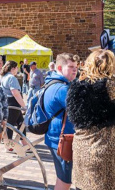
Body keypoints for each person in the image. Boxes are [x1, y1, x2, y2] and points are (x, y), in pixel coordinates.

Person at [67, 49, 115, 190]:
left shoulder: (76, 85)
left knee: (82, 185)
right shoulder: (111, 85)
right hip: (105, 149)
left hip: (81, 147)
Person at [43, 53, 77, 190]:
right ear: (59, 67)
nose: (75, 70)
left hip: (55, 137)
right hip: (61, 140)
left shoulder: (52, 82)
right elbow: (78, 113)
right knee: (65, 181)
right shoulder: (63, 88)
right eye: (70, 67)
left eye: (76, 67)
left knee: (62, 178)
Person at [1, 61, 26, 141]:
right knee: (10, 125)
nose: (17, 69)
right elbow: (15, 93)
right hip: (13, 103)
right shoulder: (11, 78)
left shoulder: (4, 77)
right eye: (17, 67)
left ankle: (24, 143)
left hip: (7, 102)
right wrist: (23, 106)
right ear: (13, 68)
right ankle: (8, 145)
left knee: (21, 123)